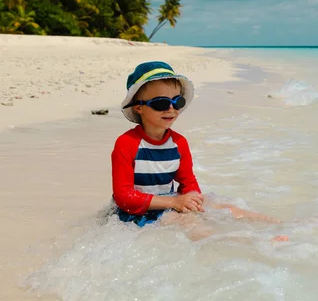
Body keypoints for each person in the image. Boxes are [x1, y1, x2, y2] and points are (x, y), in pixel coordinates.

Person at [111, 61, 287, 240]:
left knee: (227, 210)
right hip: (139, 211)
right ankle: (253, 244)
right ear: (138, 107)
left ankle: (284, 225)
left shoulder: (179, 143)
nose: (171, 108)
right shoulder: (127, 143)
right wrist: (175, 202)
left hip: (170, 201)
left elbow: (187, 181)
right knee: (193, 225)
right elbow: (124, 197)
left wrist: (192, 198)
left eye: (177, 101)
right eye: (161, 103)